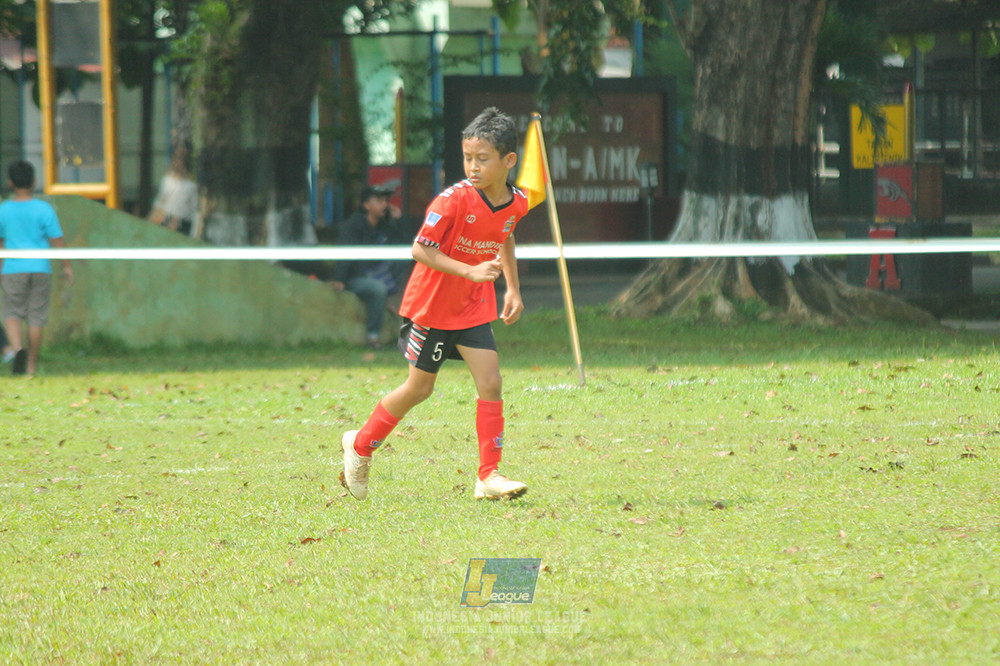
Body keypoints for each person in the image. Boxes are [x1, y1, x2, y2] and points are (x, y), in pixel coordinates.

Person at [340, 107, 529, 502]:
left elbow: (505, 233)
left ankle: (488, 475)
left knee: (491, 381)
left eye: (482, 159)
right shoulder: (451, 201)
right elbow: (420, 249)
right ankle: (360, 444)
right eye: (467, 158)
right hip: (431, 307)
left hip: (473, 307)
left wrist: (512, 288)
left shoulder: (518, 202)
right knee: (419, 388)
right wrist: (470, 271)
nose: (472, 167)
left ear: (508, 161)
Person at [0, 161, 74, 376]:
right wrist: (67, 267)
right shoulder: (44, 209)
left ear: (10, 182)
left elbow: (1, 244)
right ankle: (31, 366)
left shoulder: (3, 210)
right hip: (41, 267)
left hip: (13, 267)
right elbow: (58, 240)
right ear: (34, 181)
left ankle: (17, 349)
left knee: (12, 313)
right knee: (36, 317)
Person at [330, 185, 411, 349]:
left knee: (402, 262)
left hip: (377, 275)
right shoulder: (353, 225)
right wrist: (338, 279)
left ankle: (384, 300)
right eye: (379, 201)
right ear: (366, 205)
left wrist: (397, 221)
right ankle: (373, 338)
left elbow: (403, 246)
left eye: (386, 201)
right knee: (377, 289)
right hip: (355, 278)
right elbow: (345, 254)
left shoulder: (383, 225)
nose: (385, 205)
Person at [147, 145, 198, 236]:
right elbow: (160, 203)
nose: (177, 163)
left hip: (182, 224)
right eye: (176, 159)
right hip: (165, 219)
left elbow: (194, 211)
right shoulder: (167, 180)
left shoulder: (191, 186)